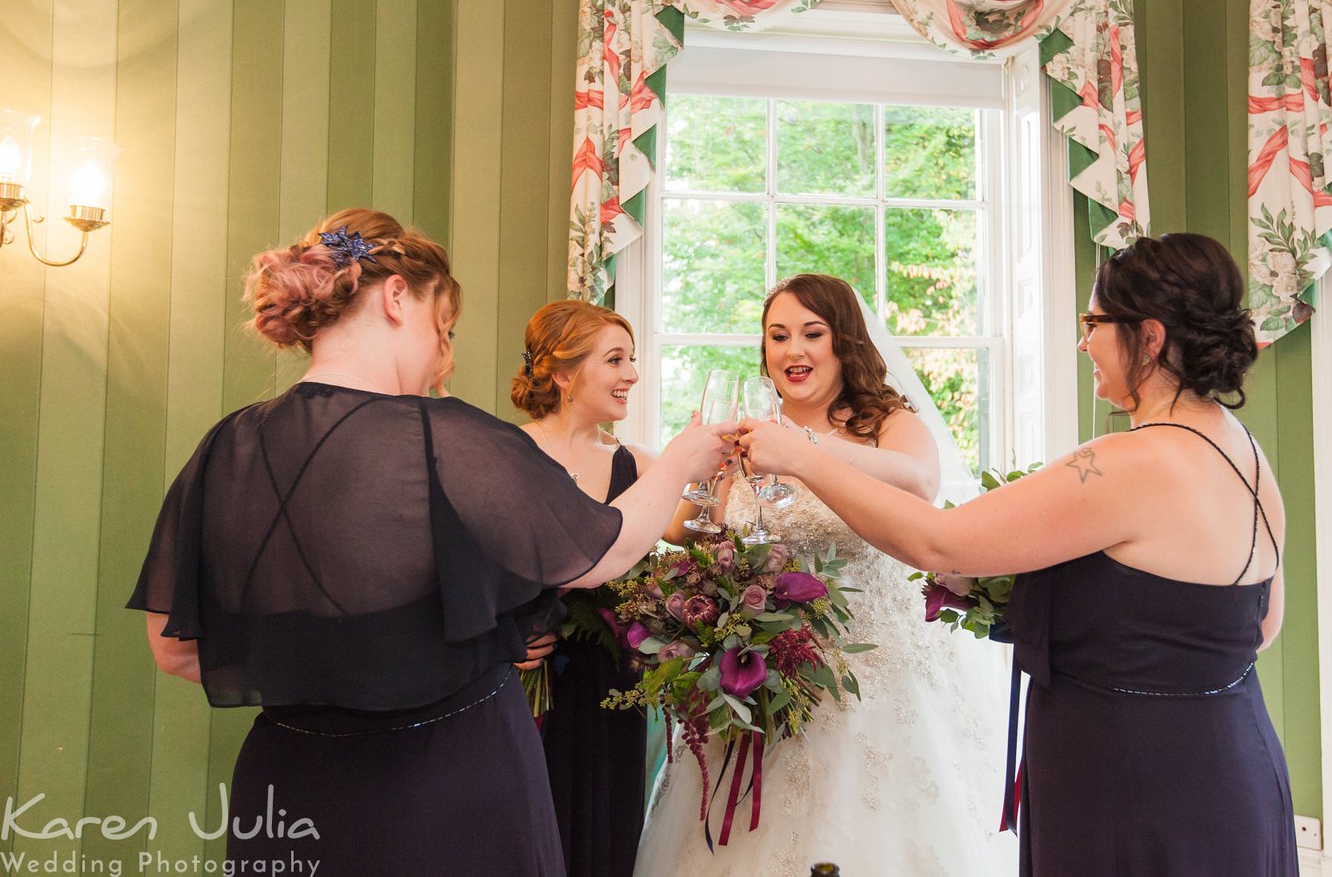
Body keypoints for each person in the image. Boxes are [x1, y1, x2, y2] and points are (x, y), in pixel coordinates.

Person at [127, 209, 734, 877]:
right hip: (449, 780)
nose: (442, 353)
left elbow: (173, 648)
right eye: (439, 327)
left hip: (289, 786)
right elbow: (602, 555)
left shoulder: (228, 444)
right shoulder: (447, 438)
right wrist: (679, 463)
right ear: (395, 298)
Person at [737, 235, 1299, 877]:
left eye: (1093, 324)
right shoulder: (1242, 450)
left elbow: (938, 542)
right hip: (1237, 760)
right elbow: (1260, 627)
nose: (1083, 342)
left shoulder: (1125, 462)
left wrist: (804, 455)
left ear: (1148, 336)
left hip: (1132, 778)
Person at [635, 273, 1016, 876]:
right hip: (763, 669)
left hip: (877, 678)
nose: (793, 351)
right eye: (777, 335)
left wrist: (801, 445)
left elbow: (920, 483)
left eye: (812, 334)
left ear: (844, 342)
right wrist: (697, 466)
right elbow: (687, 528)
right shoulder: (746, 427)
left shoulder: (886, 421)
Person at [513, 300, 654, 877]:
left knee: (607, 841)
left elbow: (712, 527)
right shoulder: (502, 455)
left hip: (612, 688)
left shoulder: (640, 465)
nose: (633, 375)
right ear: (563, 372)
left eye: (634, 359)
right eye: (616, 359)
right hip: (519, 681)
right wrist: (501, 635)